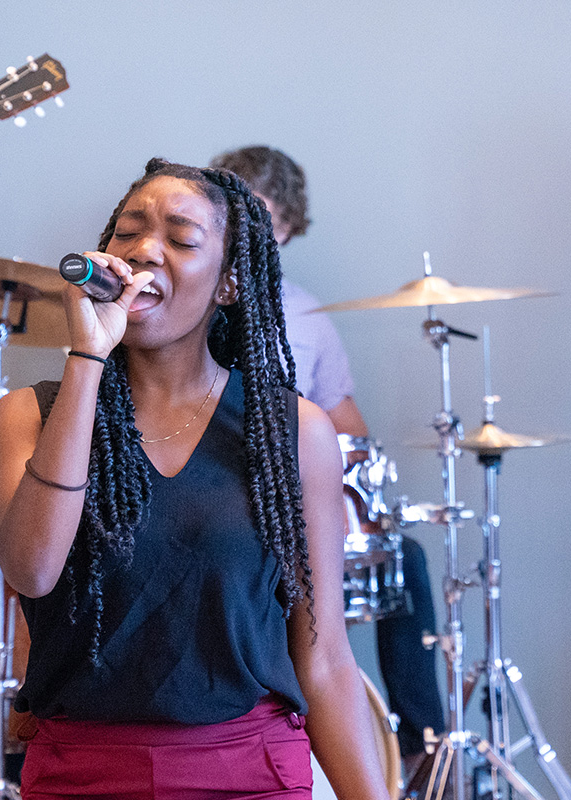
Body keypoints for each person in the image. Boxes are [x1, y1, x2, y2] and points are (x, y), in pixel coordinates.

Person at [0, 158, 392, 799]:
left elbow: (326, 657)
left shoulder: (294, 431)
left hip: (250, 771)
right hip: (81, 773)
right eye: (128, 232)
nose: (144, 250)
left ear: (229, 282)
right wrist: (88, 356)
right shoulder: (28, 417)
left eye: (180, 238)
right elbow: (33, 571)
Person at [209, 145, 445, 775]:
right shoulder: (192, 299)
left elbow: (350, 432)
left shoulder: (307, 315)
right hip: (223, 500)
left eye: (267, 220)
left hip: (299, 502)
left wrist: (354, 495)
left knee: (404, 556)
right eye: (239, 214)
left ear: (286, 229)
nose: (253, 233)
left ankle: (425, 756)